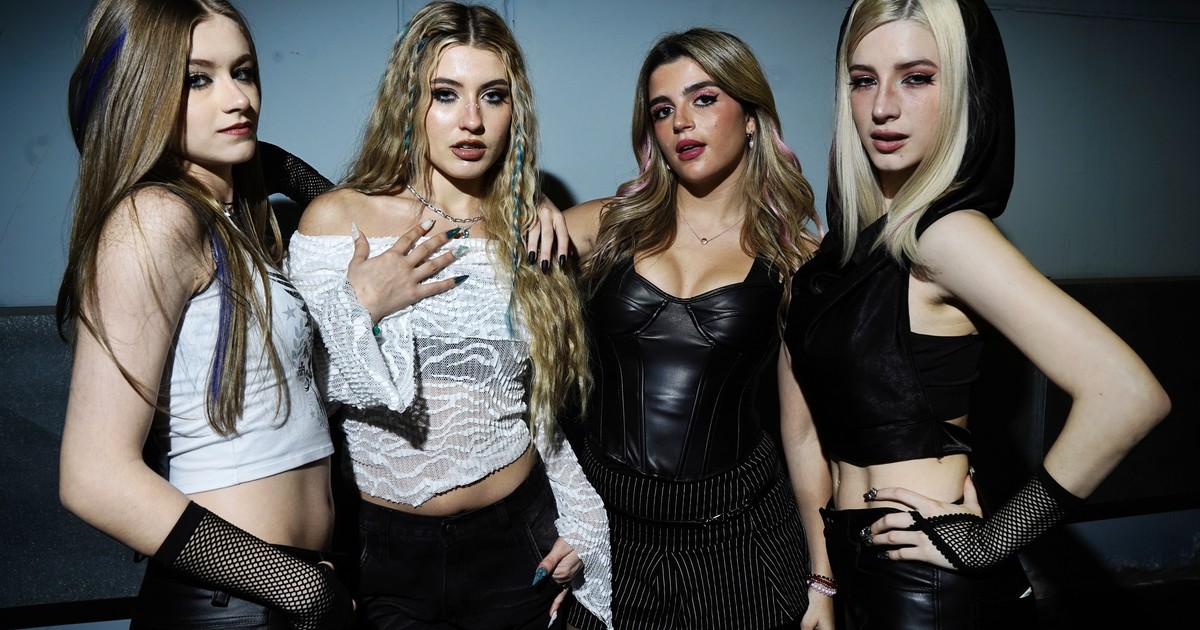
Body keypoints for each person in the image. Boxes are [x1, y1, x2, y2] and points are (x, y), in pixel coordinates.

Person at [783, 0, 1171, 627]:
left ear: (964, 90)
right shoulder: (848, 250)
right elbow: (807, 435)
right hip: (855, 562)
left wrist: (992, 541)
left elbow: (1128, 396)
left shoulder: (947, 235)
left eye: (917, 78)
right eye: (863, 80)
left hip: (922, 580)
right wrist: (823, 582)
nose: (883, 106)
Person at [284, 3, 612, 629]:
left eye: (493, 96)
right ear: (408, 102)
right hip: (382, 551)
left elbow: (531, 404)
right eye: (445, 94)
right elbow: (302, 397)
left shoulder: (527, 231)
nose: (472, 121)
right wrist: (363, 307)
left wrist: (582, 515)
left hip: (517, 540)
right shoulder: (338, 221)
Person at [57, 0, 354, 628]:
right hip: (235, 603)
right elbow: (93, 476)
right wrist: (298, 586)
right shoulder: (155, 219)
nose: (238, 99)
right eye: (198, 79)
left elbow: (346, 215)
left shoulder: (233, 223)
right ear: (142, 93)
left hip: (286, 591)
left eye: (242, 72)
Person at [562, 28, 833, 630]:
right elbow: (482, 256)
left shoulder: (796, 260)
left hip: (738, 544)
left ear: (752, 117)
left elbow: (804, 434)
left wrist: (823, 578)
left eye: (704, 99)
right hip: (605, 536)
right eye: (663, 110)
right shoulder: (605, 227)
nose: (681, 122)